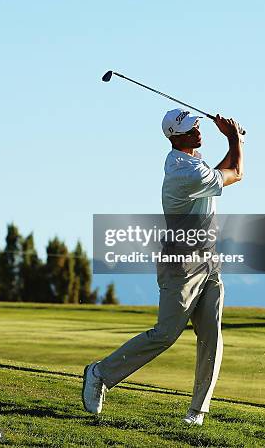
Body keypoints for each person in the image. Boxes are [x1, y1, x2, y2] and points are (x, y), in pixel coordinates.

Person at [82, 108, 244, 425]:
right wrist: (235, 140)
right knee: (166, 334)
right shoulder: (184, 172)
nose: (198, 130)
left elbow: (221, 174)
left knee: (211, 334)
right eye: (190, 128)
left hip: (209, 258)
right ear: (175, 136)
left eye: (197, 124)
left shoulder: (194, 165)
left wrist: (232, 140)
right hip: (181, 263)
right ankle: (100, 373)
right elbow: (236, 171)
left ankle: (196, 412)